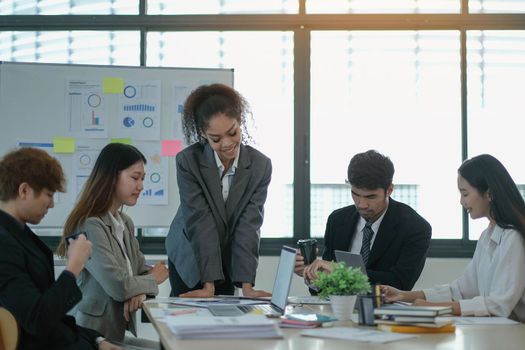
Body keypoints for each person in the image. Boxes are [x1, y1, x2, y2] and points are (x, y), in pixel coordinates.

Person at [0, 147, 120, 350]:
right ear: (24, 190)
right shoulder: (4, 244)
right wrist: (74, 266)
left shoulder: (21, 235)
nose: (52, 205)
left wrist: (97, 340)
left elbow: (55, 318)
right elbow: (38, 319)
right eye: (49, 194)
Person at [381, 154, 525, 322]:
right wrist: (404, 296)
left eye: (465, 193)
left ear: (489, 194)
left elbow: (498, 305)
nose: (461, 201)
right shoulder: (487, 236)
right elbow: (461, 290)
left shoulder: (513, 237)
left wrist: (435, 307)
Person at [165, 83, 272, 298]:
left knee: (224, 320)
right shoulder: (188, 162)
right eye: (216, 138)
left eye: (232, 132)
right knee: (188, 323)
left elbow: (249, 225)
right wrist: (208, 285)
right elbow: (199, 221)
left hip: (226, 257)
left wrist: (247, 285)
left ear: (240, 122)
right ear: (203, 134)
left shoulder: (260, 166)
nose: (227, 143)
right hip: (190, 254)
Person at [56, 143, 169, 344]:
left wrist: (141, 291)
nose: (141, 186)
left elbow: (142, 272)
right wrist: (152, 280)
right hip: (89, 338)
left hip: (114, 334)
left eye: (142, 179)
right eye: (135, 178)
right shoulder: (89, 225)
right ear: (111, 177)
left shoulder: (125, 223)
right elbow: (119, 285)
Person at [297, 150, 432, 290]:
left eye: (371, 197)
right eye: (355, 194)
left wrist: (341, 272)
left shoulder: (415, 227)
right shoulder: (337, 220)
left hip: (385, 310)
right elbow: (326, 287)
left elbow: (400, 283)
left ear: (389, 190)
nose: (361, 204)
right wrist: (311, 274)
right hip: (339, 308)